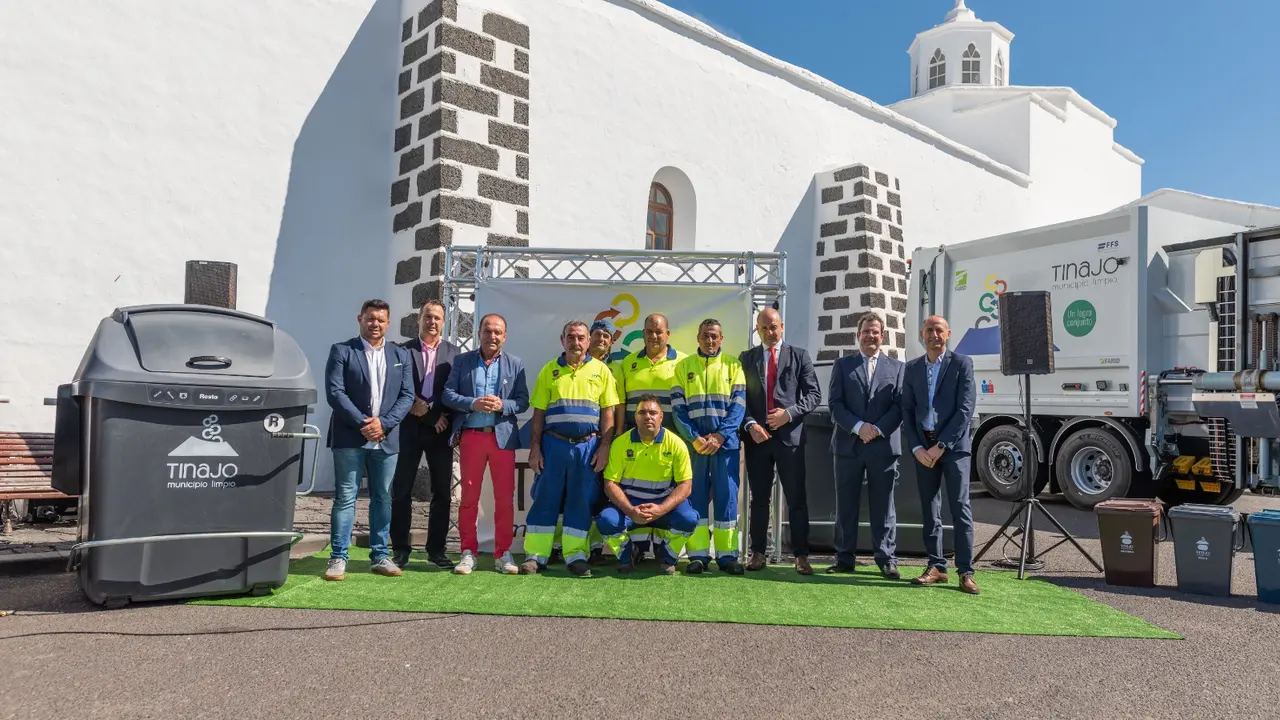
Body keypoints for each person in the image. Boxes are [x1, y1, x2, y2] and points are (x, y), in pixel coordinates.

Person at [323, 299, 417, 581]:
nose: (375, 324)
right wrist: (364, 424)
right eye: (370, 319)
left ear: (388, 323)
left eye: (380, 320)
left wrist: (384, 424)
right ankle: (339, 556)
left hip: (386, 439)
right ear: (360, 319)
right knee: (346, 497)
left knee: (383, 498)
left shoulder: (401, 355)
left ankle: (379, 555)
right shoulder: (342, 351)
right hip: (350, 436)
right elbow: (335, 393)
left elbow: (407, 396)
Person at [523, 321, 621, 576]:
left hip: (587, 447)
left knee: (580, 501)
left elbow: (608, 412)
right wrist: (535, 447)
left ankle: (576, 555)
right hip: (553, 445)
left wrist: (605, 447)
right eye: (570, 337)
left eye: (580, 338)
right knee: (545, 499)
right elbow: (539, 413)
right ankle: (536, 555)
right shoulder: (549, 370)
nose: (575, 342)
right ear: (562, 340)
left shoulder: (601, 371)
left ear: (588, 341)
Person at [442, 313, 530, 576]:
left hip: (502, 438)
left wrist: (504, 405)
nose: (492, 336)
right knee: (469, 498)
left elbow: (523, 401)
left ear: (505, 336)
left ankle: (503, 552)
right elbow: (447, 394)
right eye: (488, 331)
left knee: (504, 499)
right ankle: (468, 552)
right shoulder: (462, 361)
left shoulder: (516, 364)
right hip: (472, 435)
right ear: (479, 333)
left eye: (497, 332)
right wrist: (472, 403)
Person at [739, 308, 821, 574]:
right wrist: (751, 424)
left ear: (782, 326)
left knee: (796, 499)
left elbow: (813, 395)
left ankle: (801, 556)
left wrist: (789, 414)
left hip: (790, 439)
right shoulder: (746, 358)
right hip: (758, 441)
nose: (769, 333)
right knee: (758, 499)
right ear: (758, 330)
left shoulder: (799, 356)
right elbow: (739, 399)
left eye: (773, 327)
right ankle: (758, 553)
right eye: (763, 328)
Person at [902, 314, 979, 594]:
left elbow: (964, 410)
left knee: (960, 508)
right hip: (923, 449)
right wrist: (917, 448)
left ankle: (966, 572)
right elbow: (907, 411)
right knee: (929, 509)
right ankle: (936, 566)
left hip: (953, 448)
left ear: (948, 334)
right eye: (929, 330)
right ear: (922, 335)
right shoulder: (911, 369)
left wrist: (941, 446)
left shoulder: (962, 364)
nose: (934, 335)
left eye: (939, 330)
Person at [827, 312, 905, 578]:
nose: (870, 336)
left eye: (875, 332)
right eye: (866, 331)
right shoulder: (842, 365)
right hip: (849, 446)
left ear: (882, 336)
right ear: (857, 335)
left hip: (883, 447)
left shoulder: (897, 368)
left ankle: (886, 559)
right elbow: (835, 405)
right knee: (846, 504)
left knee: (884, 506)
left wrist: (878, 429)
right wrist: (860, 428)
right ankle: (844, 558)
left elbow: (899, 406)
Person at [671, 318, 748, 574]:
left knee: (726, 499)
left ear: (721, 338)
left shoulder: (733, 366)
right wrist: (694, 438)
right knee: (696, 498)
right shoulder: (683, 367)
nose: (710, 340)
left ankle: (727, 556)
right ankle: (698, 555)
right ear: (698, 338)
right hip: (695, 447)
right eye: (706, 335)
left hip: (725, 446)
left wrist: (720, 437)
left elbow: (739, 406)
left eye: (715, 335)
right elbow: (678, 409)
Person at [389, 301, 461, 570]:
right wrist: (420, 410)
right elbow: (395, 388)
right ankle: (400, 549)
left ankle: (436, 550)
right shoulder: (402, 351)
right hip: (408, 428)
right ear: (419, 319)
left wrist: (439, 418)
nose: (432, 322)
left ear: (444, 322)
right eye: (428, 317)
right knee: (402, 491)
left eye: (438, 318)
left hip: (440, 431)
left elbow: (454, 392)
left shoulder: (454, 353)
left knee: (442, 493)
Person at [596, 394, 698, 575]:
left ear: (661, 417)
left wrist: (661, 509)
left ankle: (666, 557)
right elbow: (610, 483)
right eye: (642, 412)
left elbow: (685, 485)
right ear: (635, 417)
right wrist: (630, 511)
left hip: (662, 504)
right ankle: (627, 556)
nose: (647, 416)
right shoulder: (620, 444)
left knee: (688, 519)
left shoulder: (676, 444)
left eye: (652, 412)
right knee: (606, 521)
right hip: (630, 505)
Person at [613, 313, 686, 562]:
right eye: (649, 331)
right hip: (636, 443)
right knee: (636, 494)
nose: (654, 336)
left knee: (669, 498)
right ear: (642, 333)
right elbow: (622, 405)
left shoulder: (683, 362)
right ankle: (638, 548)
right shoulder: (628, 363)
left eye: (659, 331)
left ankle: (663, 549)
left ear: (668, 334)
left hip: (671, 443)